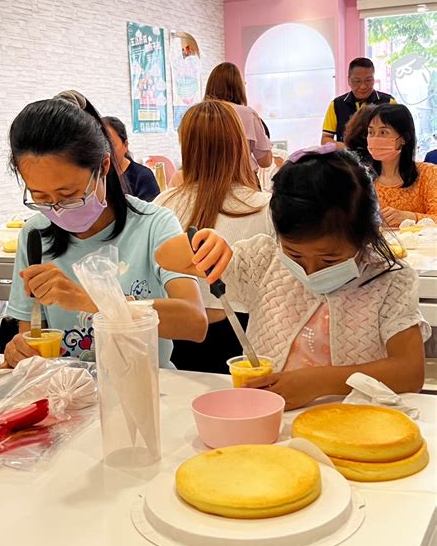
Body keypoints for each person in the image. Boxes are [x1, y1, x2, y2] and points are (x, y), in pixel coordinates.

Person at [155, 145, 429, 410]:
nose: (311, 270)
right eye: (296, 256)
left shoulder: (390, 280)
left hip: (360, 423)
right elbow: (165, 258)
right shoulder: (264, 260)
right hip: (274, 423)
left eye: (329, 260)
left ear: (364, 237)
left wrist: (321, 381)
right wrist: (205, 243)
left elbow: (410, 371)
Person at [3, 91, 207, 368]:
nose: (57, 208)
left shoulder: (153, 225)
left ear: (104, 166)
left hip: (145, 390)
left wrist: (94, 300)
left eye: (69, 194)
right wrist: (21, 351)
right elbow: (31, 335)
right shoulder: (35, 235)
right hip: (69, 396)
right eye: (41, 197)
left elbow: (194, 322)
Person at [154, 100, 274, 372]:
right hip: (245, 339)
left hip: (175, 338)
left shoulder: (163, 205)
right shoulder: (265, 207)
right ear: (239, 145)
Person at [359, 104, 436, 227]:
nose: (375, 138)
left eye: (383, 132)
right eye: (371, 132)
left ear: (404, 139)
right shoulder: (360, 178)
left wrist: (412, 217)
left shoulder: (429, 174)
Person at [204, 62, 272, 172]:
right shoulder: (247, 114)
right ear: (238, 87)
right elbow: (265, 162)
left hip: (206, 182)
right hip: (243, 181)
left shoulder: (196, 115)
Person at [322, 58, 395, 147]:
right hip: (347, 158)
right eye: (357, 81)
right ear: (349, 80)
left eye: (368, 80)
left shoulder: (389, 103)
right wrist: (349, 148)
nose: (363, 86)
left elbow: (399, 135)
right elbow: (325, 139)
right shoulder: (337, 105)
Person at [103, 115, 160, 202]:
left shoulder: (142, 177)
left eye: (111, 145)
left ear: (125, 145)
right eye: (100, 145)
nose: (106, 151)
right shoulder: (94, 176)